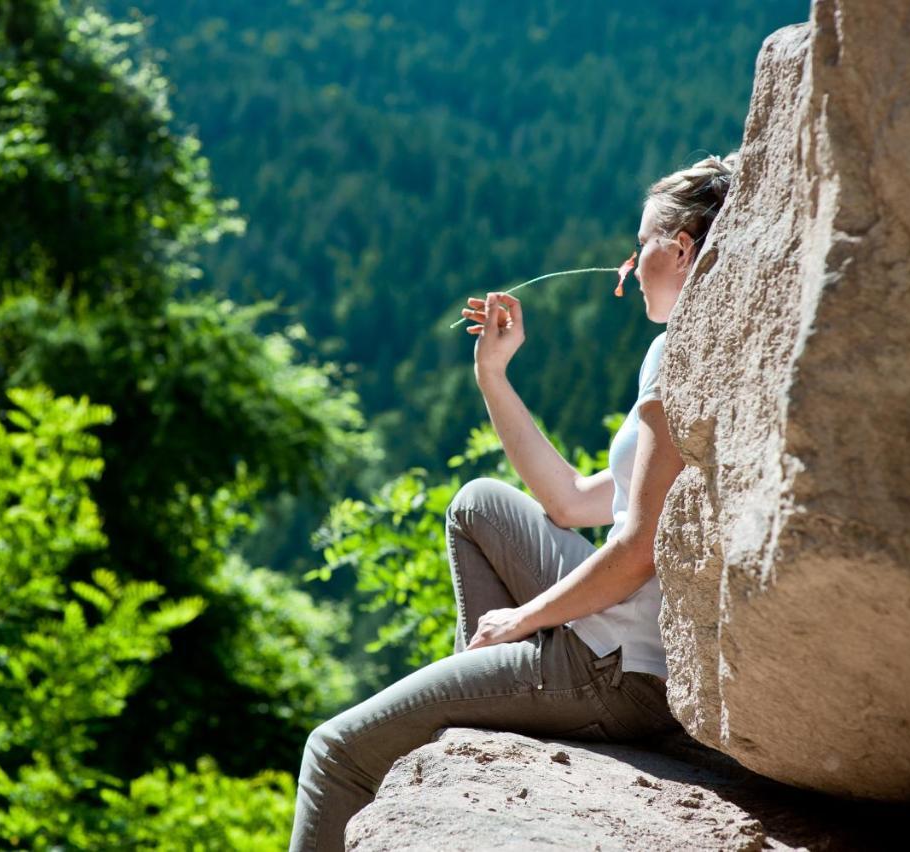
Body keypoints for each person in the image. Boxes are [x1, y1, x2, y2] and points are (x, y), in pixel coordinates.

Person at [289, 153, 739, 851]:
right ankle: (485, 694)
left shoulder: (674, 355)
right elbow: (569, 503)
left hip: (619, 671)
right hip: (629, 651)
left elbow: (638, 550)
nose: (628, 262)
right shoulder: (709, 346)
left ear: (679, 250)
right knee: (479, 504)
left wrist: (522, 619)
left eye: (641, 243)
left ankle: (496, 695)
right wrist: (493, 375)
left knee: (334, 752)